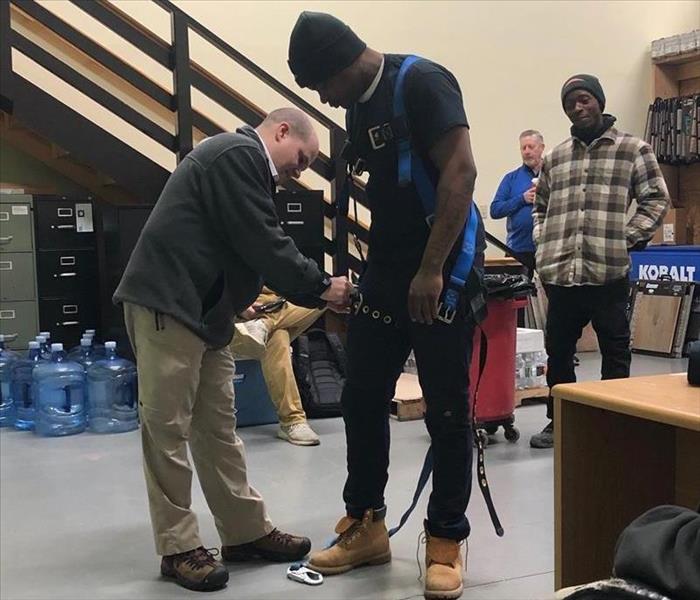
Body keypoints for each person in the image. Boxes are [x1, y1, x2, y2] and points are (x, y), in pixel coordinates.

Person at [288, 12, 487, 600]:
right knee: (361, 395)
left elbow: (462, 171)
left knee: (447, 411)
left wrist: (431, 271)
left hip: (440, 268)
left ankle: (446, 538)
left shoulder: (423, 82)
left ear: (344, 63)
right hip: (386, 271)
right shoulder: (359, 104)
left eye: (322, 84)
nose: (323, 98)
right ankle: (366, 525)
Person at [113, 107, 352, 592]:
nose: (299, 172)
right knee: (167, 431)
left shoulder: (244, 166)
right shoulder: (238, 153)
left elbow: (229, 242)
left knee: (218, 429)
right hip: (170, 306)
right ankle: (178, 547)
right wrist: (324, 287)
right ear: (282, 131)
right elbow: (263, 241)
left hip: (206, 313)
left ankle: (244, 533)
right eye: (302, 158)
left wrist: (234, 300)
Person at [530, 75, 669, 449]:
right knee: (558, 351)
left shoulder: (633, 150)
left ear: (600, 102)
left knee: (615, 349)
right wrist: (543, 241)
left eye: (585, 99)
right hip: (562, 273)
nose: (578, 107)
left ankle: (614, 419)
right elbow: (540, 207)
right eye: (571, 102)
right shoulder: (555, 157)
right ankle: (557, 421)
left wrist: (627, 237)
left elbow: (656, 199)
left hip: (607, 273)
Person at [231, 287, 325, 446]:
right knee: (278, 337)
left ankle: (265, 324)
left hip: (271, 309)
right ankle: (292, 420)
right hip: (231, 318)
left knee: (324, 296)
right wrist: (238, 305)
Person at [490, 129, 545, 276]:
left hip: (550, 250)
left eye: (531, 147)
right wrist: (522, 199)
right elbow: (495, 210)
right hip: (519, 251)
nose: (526, 151)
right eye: (523, 148)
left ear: (542, 148)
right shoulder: (511, 179)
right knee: (519, 297)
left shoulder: (554, 175)